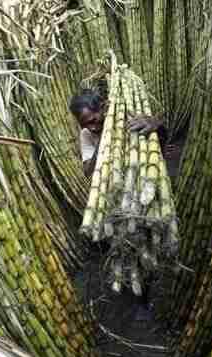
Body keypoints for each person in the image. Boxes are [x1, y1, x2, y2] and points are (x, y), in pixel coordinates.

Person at [69, 89, 166, 321]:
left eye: (93, 120)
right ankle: (139, 298)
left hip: (141, 188)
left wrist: (157, 124)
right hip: (113, 197)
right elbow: (87, 171)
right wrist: (103, 140)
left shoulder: (127, 117)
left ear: (102, 108)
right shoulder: (87, 135)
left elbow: (161, 140)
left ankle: (153, 287)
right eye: (85, 123)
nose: (91, 126)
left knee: (149, 238)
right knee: (125, 243)